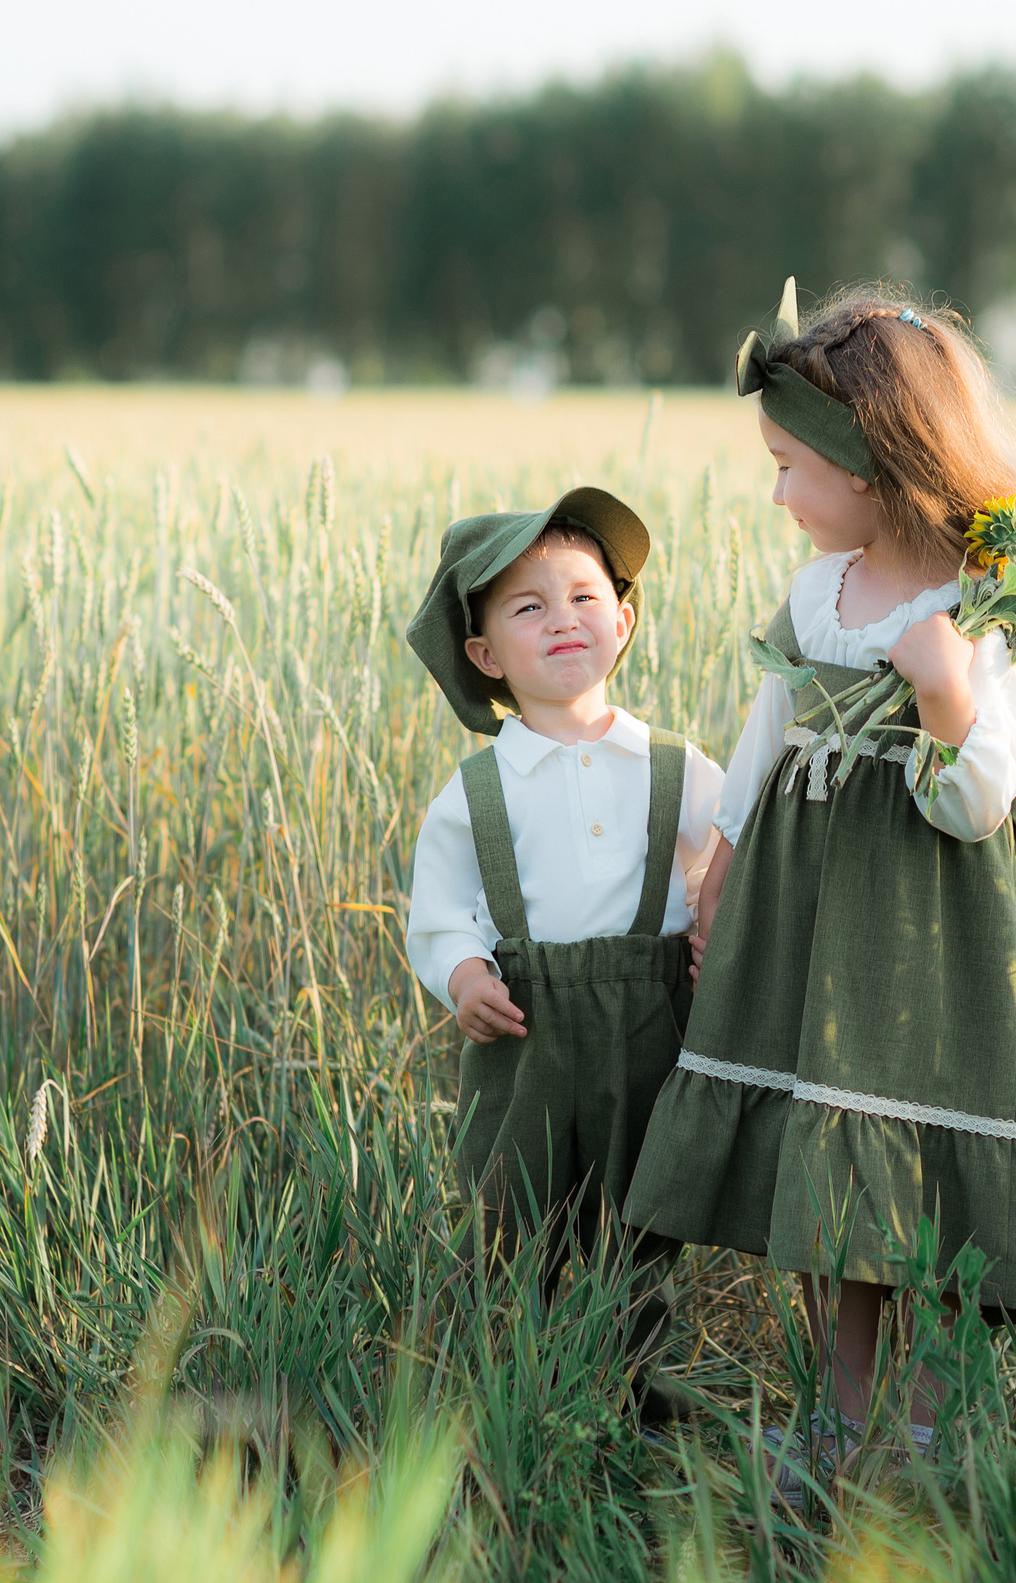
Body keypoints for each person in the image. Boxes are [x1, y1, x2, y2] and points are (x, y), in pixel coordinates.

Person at [621, 282, 1016, 1484]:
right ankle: (841, 1418)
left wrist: (946, 691)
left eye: (790, 463)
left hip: (919, 929)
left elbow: (980, 800)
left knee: (912, 1167)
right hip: (803, 912)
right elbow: (763, 736)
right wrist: (719, 866)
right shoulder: (815, 596)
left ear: (873, 460)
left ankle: (924, 1429)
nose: (776, 491)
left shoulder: (982, 606)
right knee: (831, 1171)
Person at [402, 486, 723, 1422]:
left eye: (585, 596)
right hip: (527, 1028)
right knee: (516, 1204)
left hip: (648, 1022)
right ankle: (516, 1379)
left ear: (624, 621)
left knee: (640, 1210)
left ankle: (632, 1379)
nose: (564, 620)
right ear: (485, 654)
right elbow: (440, 910)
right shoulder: (476, 792)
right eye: (529, 607)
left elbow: (724, 861)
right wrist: (464, 975)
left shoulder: (675, 765)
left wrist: (714, 928)